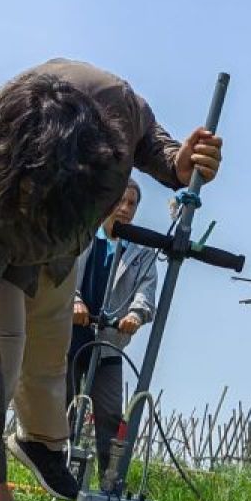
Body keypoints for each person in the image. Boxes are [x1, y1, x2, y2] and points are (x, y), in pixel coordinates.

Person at [0, 58, 222, 501]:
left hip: (56, 243)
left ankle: (42, 441)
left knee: (51, 338)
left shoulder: (113, 104)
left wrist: (176, 165)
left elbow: (150, 137)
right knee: (1, 350)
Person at [67, 178, 158, 478]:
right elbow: (63, 272)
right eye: (121, 201)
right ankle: (57, 469)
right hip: (71, 334)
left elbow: (146, 290)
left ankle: (110, 479)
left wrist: (136, 314)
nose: (125, 208)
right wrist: (76, 302)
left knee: (109, 412)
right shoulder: (83, 235)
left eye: (132, 204)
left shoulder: (141, 252)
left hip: (108, 340)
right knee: (63, 403)